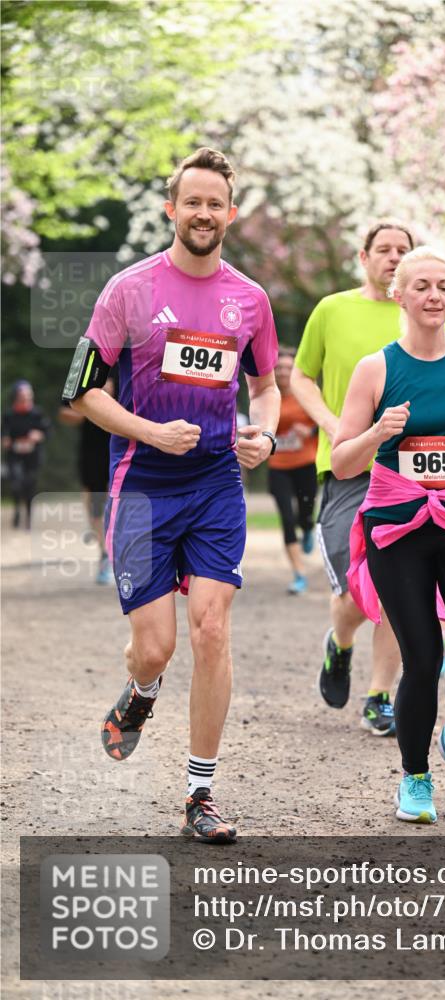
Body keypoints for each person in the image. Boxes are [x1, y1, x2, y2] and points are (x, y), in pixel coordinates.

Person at [62, 147, 280, 843]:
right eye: (193, 202)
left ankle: (200, 794)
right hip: (144, 485)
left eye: (216, 203)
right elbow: (83, 389)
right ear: (171, 210)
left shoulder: (249, 300)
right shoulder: (127, 290)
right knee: (153, 648)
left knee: (212, 629)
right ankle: (142, 689)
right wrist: (149, 433)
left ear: (231, 214)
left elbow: (266, 387)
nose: (204, 213)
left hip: (217, 481)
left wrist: (265, 438)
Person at [331, 246, 445, 823]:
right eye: (422, 286)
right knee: (422, 657)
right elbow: (341, 462)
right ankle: (414, 779)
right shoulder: (376, 369)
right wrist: (378, 434)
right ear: (400, 294)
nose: (434, 296)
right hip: (399, 525)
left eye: (443, 286)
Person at [291, 220, 414, 737]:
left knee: (400, 587)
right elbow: (301, 375)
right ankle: (339, 644)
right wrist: (330, 424)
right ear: (363, 258)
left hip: (407, 474)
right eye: (383, 250)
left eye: (402, 251)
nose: (392, 258)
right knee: (355, 594)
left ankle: (380, 696)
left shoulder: (423, 318)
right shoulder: (332, 309)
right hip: (346, 469)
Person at [59, 370, 117, 584]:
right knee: (95, 504)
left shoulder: (132, 360)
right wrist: (91, 405)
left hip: (127, 447)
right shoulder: (84, 366)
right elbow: (64, 413)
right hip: (92, 450)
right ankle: (105, 556)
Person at [268, 346, 318, 595]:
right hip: (278, 466)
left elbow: (326, 422)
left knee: (304, 515)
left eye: (288, 367)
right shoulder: (267, 395)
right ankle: (299, 574)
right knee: (287, 519)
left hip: (306, 463)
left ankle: (308, 528)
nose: (284, 372)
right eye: (279, 368)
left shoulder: (307, 393)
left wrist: (309, 431)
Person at [1, 381, 49, 529]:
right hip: (14, 455)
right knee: (16, 484)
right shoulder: (9, 415)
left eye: (28, 396)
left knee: (29, 484)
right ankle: (17, 511)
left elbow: (47, 431)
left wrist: (39, 435)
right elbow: (3, 433)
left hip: (32, 456)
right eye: (23, 396)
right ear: (16, 397)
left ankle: (29, 517)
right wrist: (5, 439)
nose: (26, 399)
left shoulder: (37, 413)